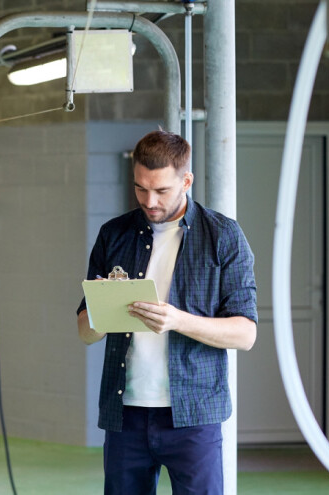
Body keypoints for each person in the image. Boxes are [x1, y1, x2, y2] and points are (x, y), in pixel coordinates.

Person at [76, 130, 257, 494]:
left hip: (193, 416)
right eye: (141, 188)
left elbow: (245, 334)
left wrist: (177, 320)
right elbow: (84, 331)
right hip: (125, 412)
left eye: (161, 190)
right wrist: (104, 309)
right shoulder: (114, 234)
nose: (149, 200)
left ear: (186, 181)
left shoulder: (223, 236)